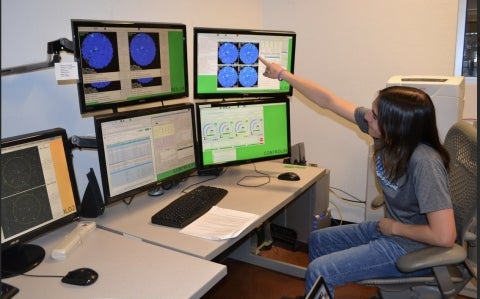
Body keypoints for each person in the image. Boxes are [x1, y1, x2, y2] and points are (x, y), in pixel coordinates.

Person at [259, 57, 456, 297]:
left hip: (412, 246)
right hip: (391, 232)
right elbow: (328, 101)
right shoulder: (387, 137)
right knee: (319, 240)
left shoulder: (425, 162)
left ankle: (318, 288)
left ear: (395, 125)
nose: (367, 118)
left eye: (374, 115)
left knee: (320, 269)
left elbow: (445, 236)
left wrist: (394, 227)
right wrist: (283, 75)